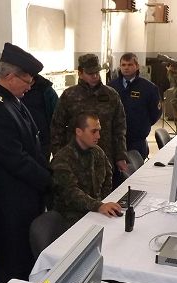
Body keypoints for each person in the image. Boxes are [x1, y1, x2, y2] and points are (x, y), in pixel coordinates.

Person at [0, 43, 51, 283]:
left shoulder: (11, 100)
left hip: (23, 197)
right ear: (10, 76)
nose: (29, 87)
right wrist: (48, 180)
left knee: (23, 260)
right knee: (10, 265)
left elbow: (32, 144)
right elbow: (15, 159)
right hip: (10, 203)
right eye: (27, 81)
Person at [51, 54, 127, 186]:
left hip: (105, 156)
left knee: (105, 193)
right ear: (80, 73)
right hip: (76, 159)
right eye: (90, 73)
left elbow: (119, 128)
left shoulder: (111, 95)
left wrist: (121, 156)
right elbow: (57, 128)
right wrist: (60, 156)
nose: (95, 76)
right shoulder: (69, 96)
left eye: (97, 72)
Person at [51, 112, 121, 225]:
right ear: (79, 132)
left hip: (95, 211)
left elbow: (108, 176)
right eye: (93, 131)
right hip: (71, 218)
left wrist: (103, 202)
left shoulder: (97, 152)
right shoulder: (62, 159)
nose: (98, 136)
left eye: (99, 131)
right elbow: (71, 193)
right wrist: (99, 206)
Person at [108, 53, 161, 159]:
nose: (126, 68)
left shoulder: (149, 88)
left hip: (137, 140)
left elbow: (155, 113)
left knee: (137, 166)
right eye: (123, 65)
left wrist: (142, 125)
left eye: (130, 64)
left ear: (137, 66)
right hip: (115, 140)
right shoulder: (111, 87)